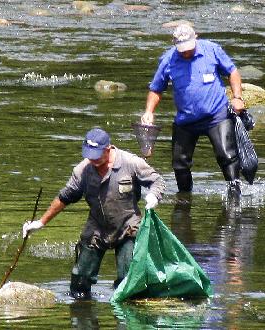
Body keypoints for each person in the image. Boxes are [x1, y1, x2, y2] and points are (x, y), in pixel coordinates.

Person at [22, 128, 165, 298]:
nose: (93, 159)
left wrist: (153, 196)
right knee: (79, 282)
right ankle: (83, 315)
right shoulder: (82, 170)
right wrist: (41, 222)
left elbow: (157, 181)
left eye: (97, 154)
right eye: (89, 154)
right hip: (96, 227)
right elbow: (65, 197)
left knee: (128, 283)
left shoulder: (131, 163)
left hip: (128, 227)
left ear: (108, 148)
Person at [141, 24, 245, 197]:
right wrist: (149, 111)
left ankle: (235, 195)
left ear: (196, 37)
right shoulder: (168, 60)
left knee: (226, 155)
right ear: (173, 43)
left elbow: (232, 72)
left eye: (188, 48)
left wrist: (237, 97)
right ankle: (184, 198)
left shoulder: (212, 50)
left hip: (216, 115)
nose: (186, 52)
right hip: (186, 120)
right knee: (179, 164)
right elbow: (156, 89)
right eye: (181, 49)